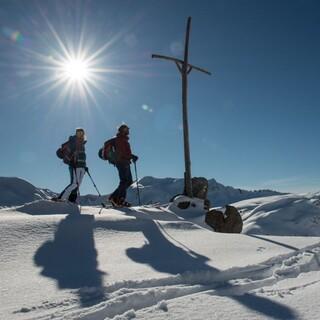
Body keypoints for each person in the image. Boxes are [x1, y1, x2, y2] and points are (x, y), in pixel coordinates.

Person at [53, 128, 87, 204]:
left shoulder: (82, 144)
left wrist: (85, 166)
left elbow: (82, 156)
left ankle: (72, 200)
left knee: (77, 185)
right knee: (74, 183)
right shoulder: (72, 142)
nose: (80, 134)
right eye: (78, 132)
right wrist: (71, 162)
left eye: (81, 133)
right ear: (76, 133)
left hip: (82, 167)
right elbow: (65, 152)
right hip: (75, 166)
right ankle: (61, 198)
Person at [109, 124, 138, 207]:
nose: (128, 130)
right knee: (124, 181)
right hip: (122, 162)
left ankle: (114, 198)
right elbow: (122, 153)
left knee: (128, 181)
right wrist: (132, 156)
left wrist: (131, 156)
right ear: (122, 130)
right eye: (126, 129)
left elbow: (125, 152)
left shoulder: (123, 139)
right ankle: (119, 200)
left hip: (125, 162)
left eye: (128, 129)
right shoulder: (120, 139)